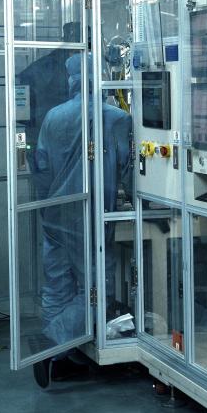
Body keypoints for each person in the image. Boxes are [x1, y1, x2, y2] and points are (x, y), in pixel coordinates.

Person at [29, 53, 131, 387]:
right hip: (88, 215)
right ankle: (53, 345)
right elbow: (130, 170)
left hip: (55, 212)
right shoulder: (115, 118)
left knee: (57, 286)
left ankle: (60, 360)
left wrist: (47, 207)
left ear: (71, 79)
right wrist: (142, 204)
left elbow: (41, 168)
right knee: (97, 289)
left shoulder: (53, 117)